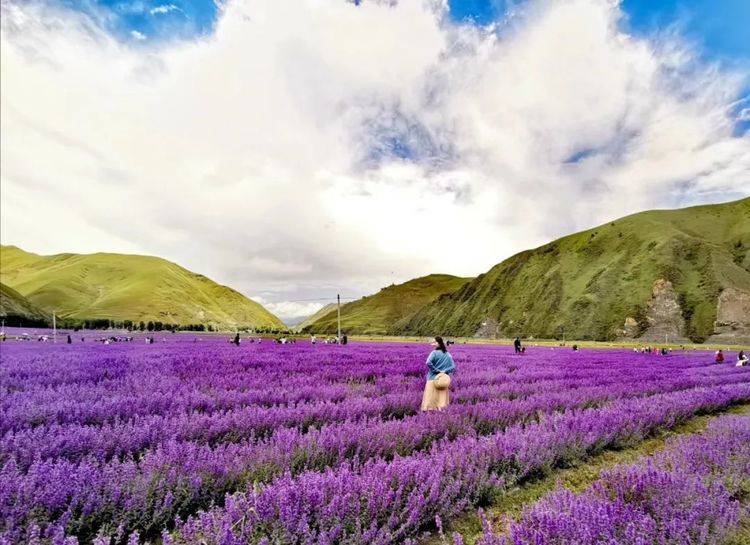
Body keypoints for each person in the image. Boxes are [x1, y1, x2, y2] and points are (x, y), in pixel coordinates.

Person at [421, 336, 456, 411]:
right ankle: (441, 415)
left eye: (434, 342)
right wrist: (444, 371)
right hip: (443, 380)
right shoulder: (447, 354)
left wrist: (436, 370)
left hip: (432, 378)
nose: (432, 343)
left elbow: (428, 362)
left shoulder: (434, 353)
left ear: (439, 343)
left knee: (430, 401)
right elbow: (453, 366)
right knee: (442, 401)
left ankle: (430, 417)